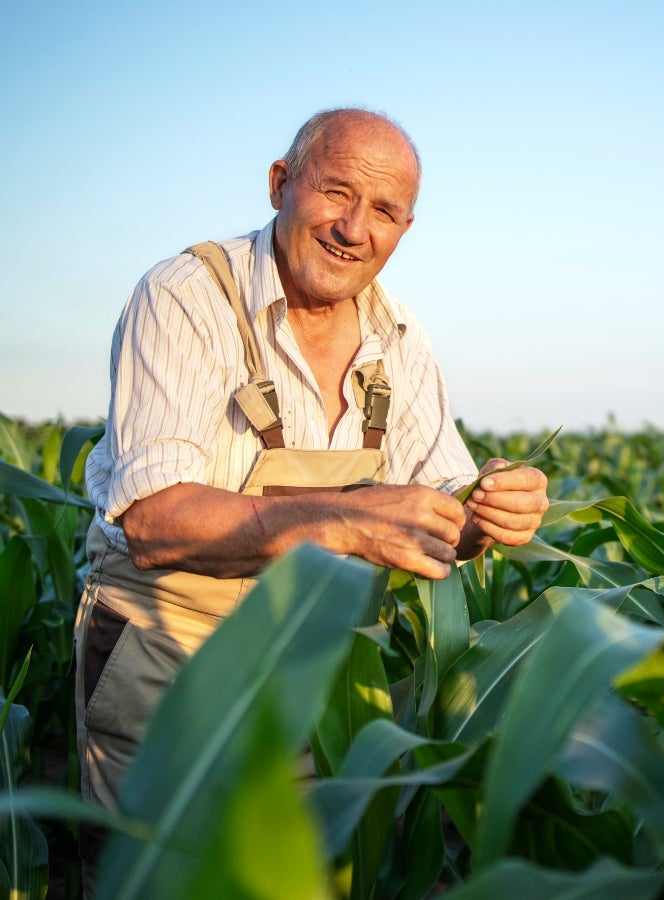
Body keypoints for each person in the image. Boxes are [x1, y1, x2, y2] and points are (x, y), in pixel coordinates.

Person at [72, 106, 548, 884]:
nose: (354, 229)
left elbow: (441, 505)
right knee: (162, 879)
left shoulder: (399, 337)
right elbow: (154, 522)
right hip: (168, 658)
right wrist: (348, 520)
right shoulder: (188, 296)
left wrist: (488, 510)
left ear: (405, 229)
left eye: (384, 211)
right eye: (337, 192)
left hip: (318, 671)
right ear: (280, 184)